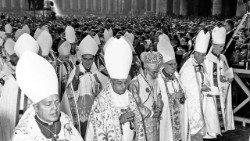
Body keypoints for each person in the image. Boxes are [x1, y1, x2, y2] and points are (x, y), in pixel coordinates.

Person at [12, 51, 83, 141]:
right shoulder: (23, 134)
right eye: (48, 104)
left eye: (57, 102)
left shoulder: (64, 119)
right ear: (36, 107)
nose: (55, 108)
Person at [85, 38, 147, 141]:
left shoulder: (129, 96)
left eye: (125, 82)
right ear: (111, 81)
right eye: (119, 83)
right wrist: (119, 121)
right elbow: (97, 129)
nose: (123, 87)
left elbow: (139, 123)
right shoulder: (101, 101)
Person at [61, 35, 108, 138]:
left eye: (90, 59)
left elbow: (104, 89)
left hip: (94, 108)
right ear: (81, 58)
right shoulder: (76, 71)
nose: (87, 62)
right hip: (80, 109)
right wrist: (76, 79)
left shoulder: (96, 72)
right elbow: (70, 91)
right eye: (85, 59)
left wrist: (98, 85)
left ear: (93, 59)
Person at [203, 26, 235, 139]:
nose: (222, 49)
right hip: (211, 95)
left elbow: (226, 73)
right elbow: (205, 78)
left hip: (222, 93)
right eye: (220, 47)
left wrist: (227, 79)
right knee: (211, 124)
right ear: (214, 45)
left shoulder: (222, 57)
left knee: (218, 127)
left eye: (223, 46)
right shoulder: (207, 60)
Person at [180, 30, 211, 141]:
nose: (204, 57)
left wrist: (204, 85)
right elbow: (186, 87)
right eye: (202, 55)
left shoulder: (200, 64)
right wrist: (200, 88)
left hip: (200, 102)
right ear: (196, 54)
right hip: (191, 105)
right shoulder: (188, 67)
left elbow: (205, 79)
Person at [157, 33, 189, 141]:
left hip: (179, 114)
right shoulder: (159, 79)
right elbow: (157, 99)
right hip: (166, 118)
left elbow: (183, 90)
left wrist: (182, 95)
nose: (175, 67)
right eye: (171, 64)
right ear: (163, 65)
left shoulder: (176, 75)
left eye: (175, 64)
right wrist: (172, 96)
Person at [129, 51, 163, 141]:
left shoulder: (156, 80)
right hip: (142, 122)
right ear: (146, 68)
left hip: (155, 120)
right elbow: (135, 105)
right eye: (154, 72)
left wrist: (159, 109)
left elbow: (159, 96)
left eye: (157, 72)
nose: (156, 75)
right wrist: (151, 113)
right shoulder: (135, 83)